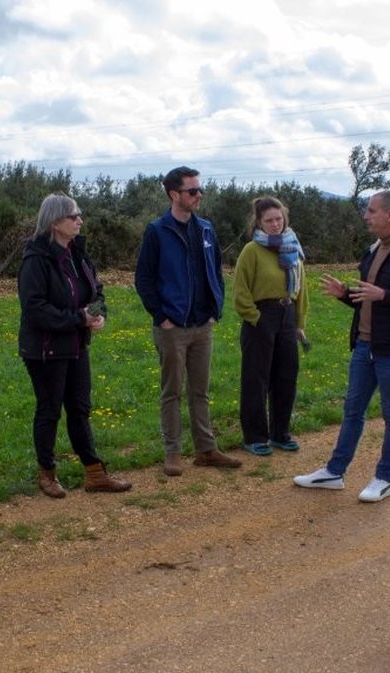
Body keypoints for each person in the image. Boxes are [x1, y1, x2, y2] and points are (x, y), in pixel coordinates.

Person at [293, 190, 390, 502]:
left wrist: (384, 295)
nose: (366, 216)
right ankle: (334, 472)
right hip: (364, 345)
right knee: (352, 410)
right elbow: (367, 301)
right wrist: (345, 294)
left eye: (371, 211)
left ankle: (384, 478)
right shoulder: (374, 250)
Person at [18, 193, 133, 497]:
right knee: (50, 410)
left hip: (77, 345)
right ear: (55, 222)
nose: (79, 220)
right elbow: (35, 309)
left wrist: (97, 315)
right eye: (73, 215)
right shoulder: (36, 259)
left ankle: (94, 473)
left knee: (80, 409)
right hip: (45, 349)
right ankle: (47, 473)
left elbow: (97, 292)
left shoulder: (77, 254)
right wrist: (77, 319)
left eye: (78, 215)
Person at [134, 166, 241, 476]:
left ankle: (206, 450)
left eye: (200, 190)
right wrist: (162, 317)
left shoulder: (206, 228)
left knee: (200, 391)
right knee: (172, 392)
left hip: (202, 325)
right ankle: (173, 453)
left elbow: (217, 271)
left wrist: (214, 310)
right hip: (172, 328)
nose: (199, 195)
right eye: (192, 191)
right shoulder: (157, 231)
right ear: (174, 194)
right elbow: (144, 278)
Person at [232, 195, 309, 456]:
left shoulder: (293, 247)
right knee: (256, 379)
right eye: (269, 220)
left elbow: (302, 289)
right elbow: (240, 291)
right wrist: (255, 318)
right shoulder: (252, 251)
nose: (275, 224)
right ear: (259, 223)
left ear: (284, 218)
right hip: (260, 317)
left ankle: (280, 433)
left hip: (287, 316)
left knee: (286, 376)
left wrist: (299, 322)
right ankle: (255, 437)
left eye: (278, 219)